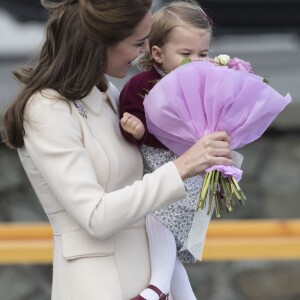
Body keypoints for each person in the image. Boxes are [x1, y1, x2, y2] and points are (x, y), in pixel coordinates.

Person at [3, 0, 233, 299]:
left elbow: (145, 176)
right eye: (138, 43)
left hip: (151, 280)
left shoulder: (107, 93)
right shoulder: (46, 108)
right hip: (98, 285)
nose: (143, 53)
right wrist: (181, 167)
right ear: (100, 42)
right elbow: (96, 216)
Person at [119, 1, 214, 299]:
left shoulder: (209, 84)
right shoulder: (141, 84)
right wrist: (136, 129)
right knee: (164, 238)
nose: (196, 61)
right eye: (185, 54)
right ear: (157, 53)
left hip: (190, 171)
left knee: (156, 215)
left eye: (203, 54)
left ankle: (157, 288)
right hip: (158, 169)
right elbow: (129, 118)